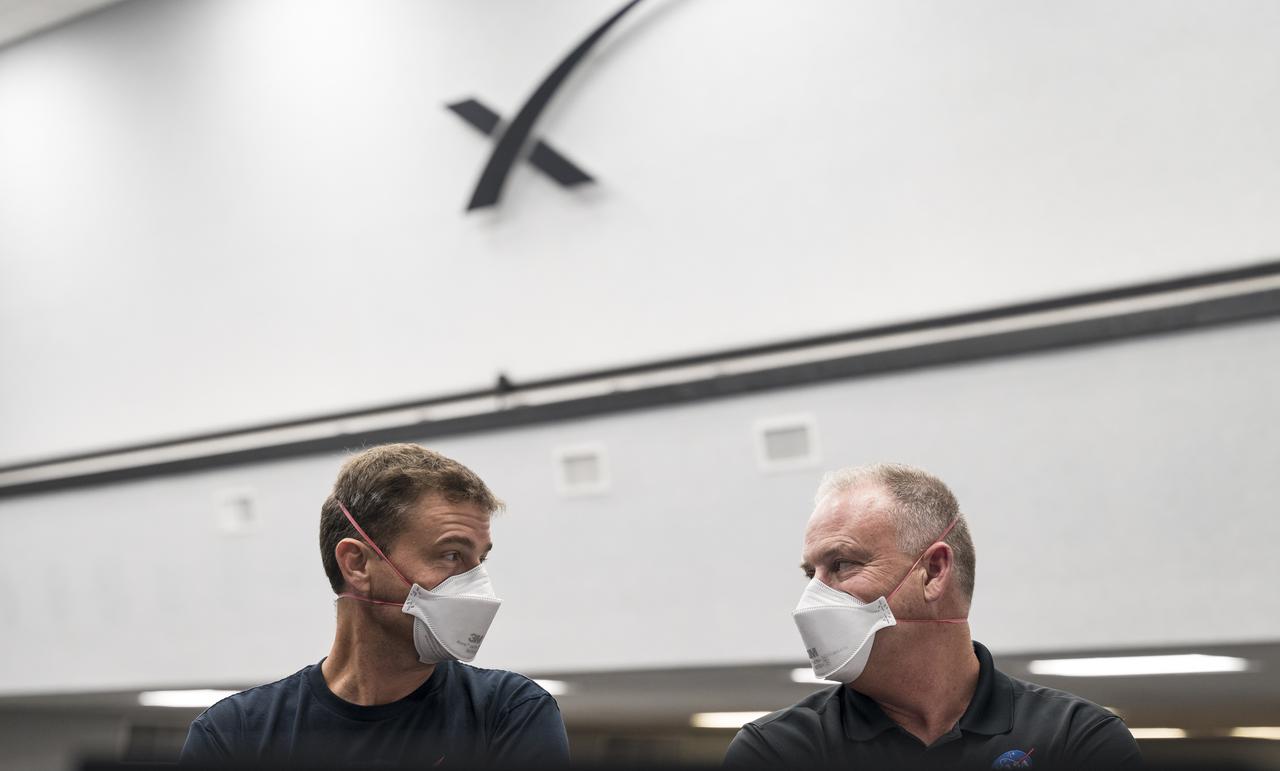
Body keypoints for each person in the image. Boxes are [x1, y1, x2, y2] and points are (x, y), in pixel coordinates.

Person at [725, 463, 1142, 769]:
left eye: (842, 564)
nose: (812, 598)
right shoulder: (778, 750)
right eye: (809, 573)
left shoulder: (1076, 739)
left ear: (934, 572)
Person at [180, 443, 570, 766]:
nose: (477, 586)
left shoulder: (509, 713)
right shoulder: (236, 734)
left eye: (479, 561)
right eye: (452, 555)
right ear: (357, 564)